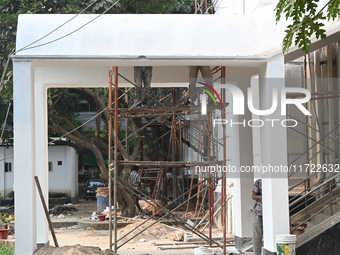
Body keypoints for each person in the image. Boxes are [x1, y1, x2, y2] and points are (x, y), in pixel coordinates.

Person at [252, 179, 263, 255]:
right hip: (259, 212)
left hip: (270, 213)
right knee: (257, 236)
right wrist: (263, 197)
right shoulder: (259, 182)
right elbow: (253, 196)